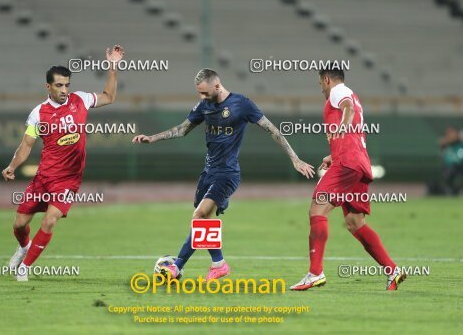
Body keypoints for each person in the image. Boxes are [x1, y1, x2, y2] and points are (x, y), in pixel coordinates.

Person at [132, 68, 315, 280]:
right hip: (208, 172)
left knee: (199, 216)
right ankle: (218, 263)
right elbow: (182, 129)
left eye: (205, 93)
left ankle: (178, 266)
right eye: (199, 93)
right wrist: (152, 138)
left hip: (227, 173)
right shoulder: (204, 106)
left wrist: (295, 158)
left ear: (217, 86)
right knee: (203, 223)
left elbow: (272, 130)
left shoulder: (241, 104)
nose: (202, 98)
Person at [2, 45, 124, 281]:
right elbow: (27, 144)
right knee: (19, 224)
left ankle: (25, 268)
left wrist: (113, 67)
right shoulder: (39, 113)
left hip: (68, 180)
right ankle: (24, 247)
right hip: (43, 177)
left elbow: (109, 97)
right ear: (48, 86)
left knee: (49, 221)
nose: (64, 90)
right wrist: (12, 166)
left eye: (67, 84)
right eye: (59, 85)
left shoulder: (80, 100)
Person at [290, 66, 406, 291]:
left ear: (326, 80)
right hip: (358, 164)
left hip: (348, 164)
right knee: (355, 223)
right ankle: (393, 270)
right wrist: (333, 155)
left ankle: (315, 273)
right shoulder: (353, 94)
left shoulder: (339, 92)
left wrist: (342, 128)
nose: (321, 89)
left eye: (320, 84)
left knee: (317, 211)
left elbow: (347, 109)